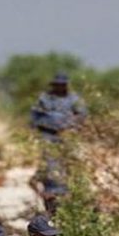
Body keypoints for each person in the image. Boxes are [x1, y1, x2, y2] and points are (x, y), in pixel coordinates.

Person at [31, 73, 87, 208]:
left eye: (62, 84)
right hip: (48, 134)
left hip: (68, 135)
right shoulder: (45, 98)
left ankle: (71, 192)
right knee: (50, 163)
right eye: (58, 84)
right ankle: (51, 192)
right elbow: (35, 116)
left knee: (71, 163)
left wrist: (70, 126)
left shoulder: (74, 99)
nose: (60, 87)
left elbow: (82, 115)